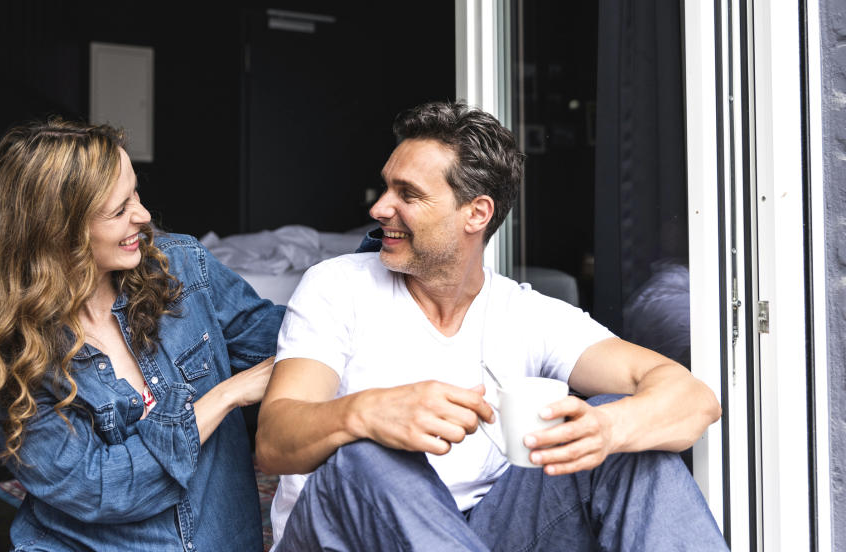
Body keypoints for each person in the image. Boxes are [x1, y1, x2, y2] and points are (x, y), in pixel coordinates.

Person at [255, 101, 728, 551]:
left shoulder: (527, 314)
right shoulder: (336, 287)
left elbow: (695, 401)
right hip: (345, 535)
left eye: (408, 194)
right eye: (386, 188)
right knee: (365, 454)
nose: (380, 209)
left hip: (483, 532)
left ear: (476, 214)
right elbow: (274, 441)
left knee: (626, 434)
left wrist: (607, 429)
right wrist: (367, 412)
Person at [0, 120, 283, 551]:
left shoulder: (181, 268)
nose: (143, 216)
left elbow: (293, 336)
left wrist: (385, 253)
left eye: (136, 194)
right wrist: (224, 396)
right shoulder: (10, 355)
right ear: (58, 232)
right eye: (119, 209)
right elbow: (104, 488)